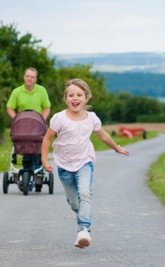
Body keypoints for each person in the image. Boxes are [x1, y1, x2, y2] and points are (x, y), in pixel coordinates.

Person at [41, 78, 130, 248]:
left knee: (85, 193)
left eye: (79, 95)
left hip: (84, 161)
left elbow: (103, 135)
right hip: (64, 164)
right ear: (66, 99)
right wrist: (44, 160)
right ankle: (78, 212)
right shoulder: (59, 118)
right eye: (71, 95)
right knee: (74, 201)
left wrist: (116, 148)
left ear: (86, 98)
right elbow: (47, 139)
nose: (75, 98)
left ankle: (83, 229)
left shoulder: (92, 118)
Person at [7, 67, 51, 192]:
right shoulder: (17, 92)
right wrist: (16, 118)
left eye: (32, 76)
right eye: (27, 76)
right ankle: (27, 173)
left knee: (38, 149)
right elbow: (10, 107)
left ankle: (38, 175)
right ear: (24, 77)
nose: (29, 78)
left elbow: (47, 107)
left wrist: (43, 118)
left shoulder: (41, 90)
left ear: (35, 79)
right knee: (24, 147)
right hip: (22, 128)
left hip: (37, 127)